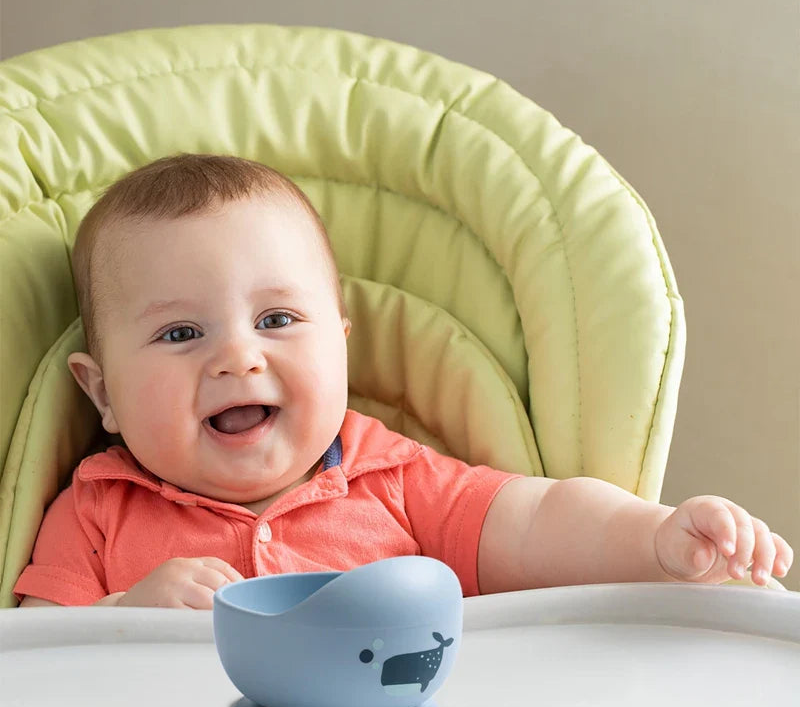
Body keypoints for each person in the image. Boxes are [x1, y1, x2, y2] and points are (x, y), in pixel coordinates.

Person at [15, 154, 793, 608]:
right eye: (182, 333)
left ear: (343, 348)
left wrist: (654, 538)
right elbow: (35, 664)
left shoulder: (395, 478)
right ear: (103, 393)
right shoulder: (95, 512)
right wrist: (130, 614)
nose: (238, 359)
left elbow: (541, 520)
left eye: (278, 320)